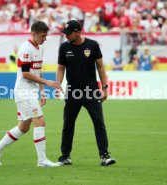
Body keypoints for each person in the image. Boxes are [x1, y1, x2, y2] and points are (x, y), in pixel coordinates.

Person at [0, 21, 62, 167]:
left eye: (45, 36)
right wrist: (46, 82)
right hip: (23, 91)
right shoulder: (26, 49)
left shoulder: (39, 47)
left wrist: (42, 91)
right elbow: (26, 74)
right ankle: (42, 161)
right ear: (33, 33)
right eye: (42, 36)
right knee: (40, 121)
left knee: (23, 126)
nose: (45, 39)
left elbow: (38, 70)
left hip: (31, 91)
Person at [56, 20, 116, 166]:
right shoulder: (64, 47)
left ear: (77, 32)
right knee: (68, 124)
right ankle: (65, 156)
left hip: (91, 91)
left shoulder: (92, 45)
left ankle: (104, 156)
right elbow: (60, 68)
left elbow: (101, 67)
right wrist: (58, 85)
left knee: (99, 123)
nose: (66, 36)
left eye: (68, 33)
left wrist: (105, 87)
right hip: (73, 91)